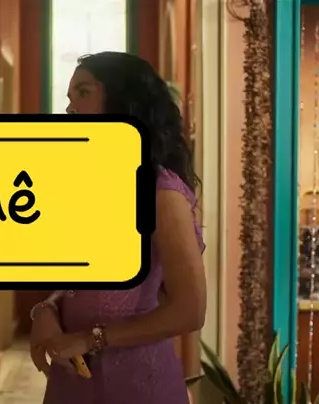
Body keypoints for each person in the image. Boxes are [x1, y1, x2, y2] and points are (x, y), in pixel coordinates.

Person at [29, 52, 206, 404]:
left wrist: (90, 339)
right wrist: (46, 309)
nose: (70, 108)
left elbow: (190, 309)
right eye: (69, 98)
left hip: (138, 386)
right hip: (72, 384)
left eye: (83, 92)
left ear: (124, 101)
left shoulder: (160, 193)